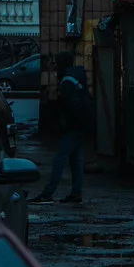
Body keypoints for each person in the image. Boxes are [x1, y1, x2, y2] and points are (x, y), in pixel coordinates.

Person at [31, 51, 94, 205]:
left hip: (73, 126)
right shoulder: (76, 77)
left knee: (60, 159)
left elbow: (70, 106)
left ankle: (47, 194)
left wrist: (65, 123)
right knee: (75, 161)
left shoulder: (66, 81)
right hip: (81, 125)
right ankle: (76, 193)